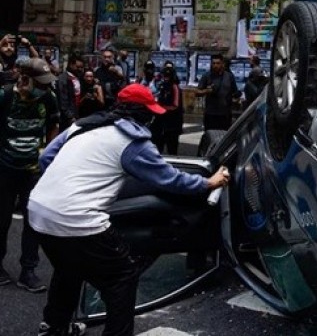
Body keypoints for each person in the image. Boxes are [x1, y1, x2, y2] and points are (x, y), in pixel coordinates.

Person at [28, 83, 230, 336]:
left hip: (38, 211)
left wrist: (65, 186)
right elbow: (168, 179)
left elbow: (46, 158)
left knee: (69, 268)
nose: (152, 118)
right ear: (142, 114)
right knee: (121, 277)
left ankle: (54, 327)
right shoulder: (132, 140)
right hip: (77, 220)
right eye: (150, 112)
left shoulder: (82, 126)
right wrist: (209, 182)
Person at [0, 58, 60, 293]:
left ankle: (28, 270)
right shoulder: (5, 96)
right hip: (4, 169)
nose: (44, 88)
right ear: (25, 79)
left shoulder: (48, 97)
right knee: (2, 220)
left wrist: (49, 153)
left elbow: (54, 124)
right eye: (40, 83)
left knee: (33, 221)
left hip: (33, 171)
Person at [195, 54, 240, 131]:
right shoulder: (206, 76)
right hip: (210, 114)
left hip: (225, 114)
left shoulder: (229, 76)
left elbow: (235, 93)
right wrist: (206, 91)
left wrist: (235, 100)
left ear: (222, 64)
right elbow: (197, 92)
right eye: (213, 63)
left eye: (218, 63)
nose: (215, 65)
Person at [152, 62, 183, 155]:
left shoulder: (175, 87)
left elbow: (175, 105)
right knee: (158, 147)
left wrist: (161, 108)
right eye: (164, 75)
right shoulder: (161, 86)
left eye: (168, 76)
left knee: (172, 149)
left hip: (172, 123)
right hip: (161, 122)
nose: (166, 77)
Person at [56, 53, 83, 132]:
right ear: (71, 65)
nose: (80, 69)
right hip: (68, 118)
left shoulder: (78, 77)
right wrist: (70, 117)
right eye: (78, 67)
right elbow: (63, 100)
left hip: (77, 113)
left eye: (82, 67)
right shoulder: (63, 79)